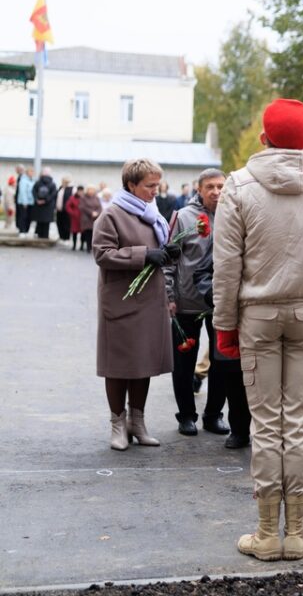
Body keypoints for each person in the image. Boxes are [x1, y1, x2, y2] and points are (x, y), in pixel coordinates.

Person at [212, 98, 303, 561]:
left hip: (258, 314)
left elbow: (227, 265)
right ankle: (295, 532)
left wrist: (224, 325)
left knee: (264, 423)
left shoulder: (238, 185)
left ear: (264, 137)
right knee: (296, 421)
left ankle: (266, 534)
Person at [93, 158, 179, 451]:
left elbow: (158, 254)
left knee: (143, 363)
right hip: (121, 301)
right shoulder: (112, 215)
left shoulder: (153, 213)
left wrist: (169, 252)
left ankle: (137, 423)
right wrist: (145, 255)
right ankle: (118, 424)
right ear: (131, 185)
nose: (156, 190)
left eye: (158, 184)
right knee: (117, 366)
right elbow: (102, 254)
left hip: (150, 300)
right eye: (150, 185)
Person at [165, 168, 251, 448]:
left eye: (220, 186)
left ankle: (213, 414)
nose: (216, 192)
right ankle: (186, 415)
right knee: (184, 362)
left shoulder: (235, 212)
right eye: (210, 187)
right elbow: (170, 258)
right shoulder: (184, 217)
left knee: (223, 362)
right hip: (187, 302)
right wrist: (169, 295)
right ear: (198, 190)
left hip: (222, 303)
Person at [30, 167, 56, 239]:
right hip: (47, 207)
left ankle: (39, 235)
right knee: (45, 223)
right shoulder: (52, 184)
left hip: (41, 206)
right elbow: (53, 195)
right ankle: (45, 236)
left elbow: (33, 192)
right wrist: (44, 201)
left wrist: (38, 200)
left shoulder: (38, 183)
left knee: (40, 222)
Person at [78, 185, 102, 251]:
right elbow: (82, 207)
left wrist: (97, 212)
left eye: (92, 190)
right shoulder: (83, 197)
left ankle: (92, 246)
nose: (91, 191)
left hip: (95, 218)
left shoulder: (96, 197)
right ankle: (87, 247)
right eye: (90, 190)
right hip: (87, 218)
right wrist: (91, 212)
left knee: (93, 233)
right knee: (87, 232)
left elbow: (99, 207)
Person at [55, 175, 75, 242]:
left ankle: (66, 238)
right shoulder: (61, 188)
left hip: (67, 210)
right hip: (59, 210)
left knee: (66, 224)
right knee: (59, 223)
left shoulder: (72, 189)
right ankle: (61, 237)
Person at [15, 165, 34, 234]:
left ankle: (26, 231)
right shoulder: (23, 180)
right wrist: (25, 202)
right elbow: (23, 192)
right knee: (23, 217)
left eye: (33, 171)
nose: (32, 173)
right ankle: (22, 231)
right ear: (27, 172)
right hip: (24, 202)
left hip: (31, 202)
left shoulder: (32, 180)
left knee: (29, 217)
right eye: (31, 171)